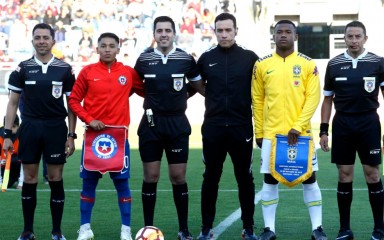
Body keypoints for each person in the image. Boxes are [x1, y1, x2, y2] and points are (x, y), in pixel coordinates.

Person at [252, 20, 327, 240]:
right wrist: (259, 132)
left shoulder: (307, 64)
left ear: (296, 36)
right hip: (271, 135)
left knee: (310, 179)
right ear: (273, 36)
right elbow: (257, 99)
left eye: (288, 32)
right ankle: (269, 229)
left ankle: (317, 228)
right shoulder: (262, 65)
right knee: (270, 180)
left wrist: (297, 126)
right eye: (279, 32)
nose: (283, 35)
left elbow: (313, 98)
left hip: (301, 135)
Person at [319, 20, 384, 240]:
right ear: (344, 38)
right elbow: (327, 100)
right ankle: (345, 229)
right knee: (344, 175)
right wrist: (324, 131)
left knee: (372, 175)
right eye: (349, 36)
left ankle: (378, 229)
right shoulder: (333, 64)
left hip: (368, 124)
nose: (353, 40)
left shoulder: (378, 62)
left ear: (365, 38)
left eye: (357, 36)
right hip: (342, 124)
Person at [2, 23, 76, 240]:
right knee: (31, 179)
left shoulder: (65, 69)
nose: (42, 41)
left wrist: (71, 135)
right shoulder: (22, 68)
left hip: (55, 127)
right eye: (38, 37)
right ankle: (27, 231)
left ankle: (56, 232)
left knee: (55, 178)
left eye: (46, 37)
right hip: (30, 127)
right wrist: (7, 135)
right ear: (32, 41)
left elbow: (72, 105)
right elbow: (12, 103)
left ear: (53, 41)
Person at [68, 32, 144, 240]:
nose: (108, 49)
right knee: (88, 184)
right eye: (104, 46)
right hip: (93, 138)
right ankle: (85, 229)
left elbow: (146, 91)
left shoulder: (128, 73)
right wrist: (89, 119)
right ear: (97, 49)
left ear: (119, 49)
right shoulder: (87, 72)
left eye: (112, 46)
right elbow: (74, 101)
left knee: (122, 184)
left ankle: (125, 231)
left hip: (119, 138)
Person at [134, 16, 203, 240]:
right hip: (151, 123)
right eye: (159, 31)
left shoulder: (185, 59)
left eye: (167, 30)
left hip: (177, 123)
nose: (163, 34)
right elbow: (135, 85)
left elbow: (198, 85)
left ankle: (183, 229)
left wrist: (184, 95)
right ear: (154, 34)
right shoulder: (144, 59)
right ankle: (148, 229)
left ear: (174, 34)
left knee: (178, 176)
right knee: (151, 176)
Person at [195, 12, 258, 240]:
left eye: (228, 30)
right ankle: (205, 228)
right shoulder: (205, 58)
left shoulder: (250, 58)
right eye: (219, 30)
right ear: (214, 32)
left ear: (236, 31)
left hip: (242, 127)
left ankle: (248, 228)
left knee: (245, 178)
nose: (224, 34)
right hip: (213, 127)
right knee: (211, 177)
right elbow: (197, 86)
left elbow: (261, 91)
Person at [0, 115, 23, 189]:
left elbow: (24, 160)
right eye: (7, 127)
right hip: (4, 167)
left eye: (13, 126)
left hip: (15, 166)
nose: (10, 130)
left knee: (17, 159)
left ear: (18, 126)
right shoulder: (0, 136)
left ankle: (19, 179)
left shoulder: (21, 136)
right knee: (7, 184)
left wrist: (21, 183)